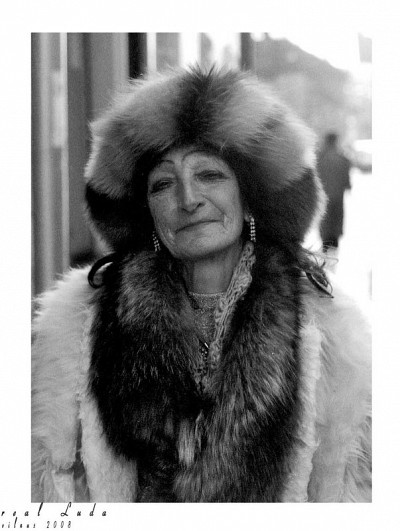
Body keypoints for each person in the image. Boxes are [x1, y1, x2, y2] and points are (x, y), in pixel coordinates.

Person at [31, 67, 371, 503]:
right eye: (163, 184)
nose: (188, 199)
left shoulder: (329, 329)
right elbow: (49, 487)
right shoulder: (77, 327)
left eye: (209, 175)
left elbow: (352, 491)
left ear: (249, 197)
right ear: (146, 211)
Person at [317, 132, 352, 251]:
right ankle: (335, 239)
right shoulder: (341, 158)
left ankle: (325, 241)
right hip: (338, 194)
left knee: (325, 217)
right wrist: (348, 185)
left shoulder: (320, 158)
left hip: (324, 194)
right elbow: (346, 176)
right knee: (337, 216)